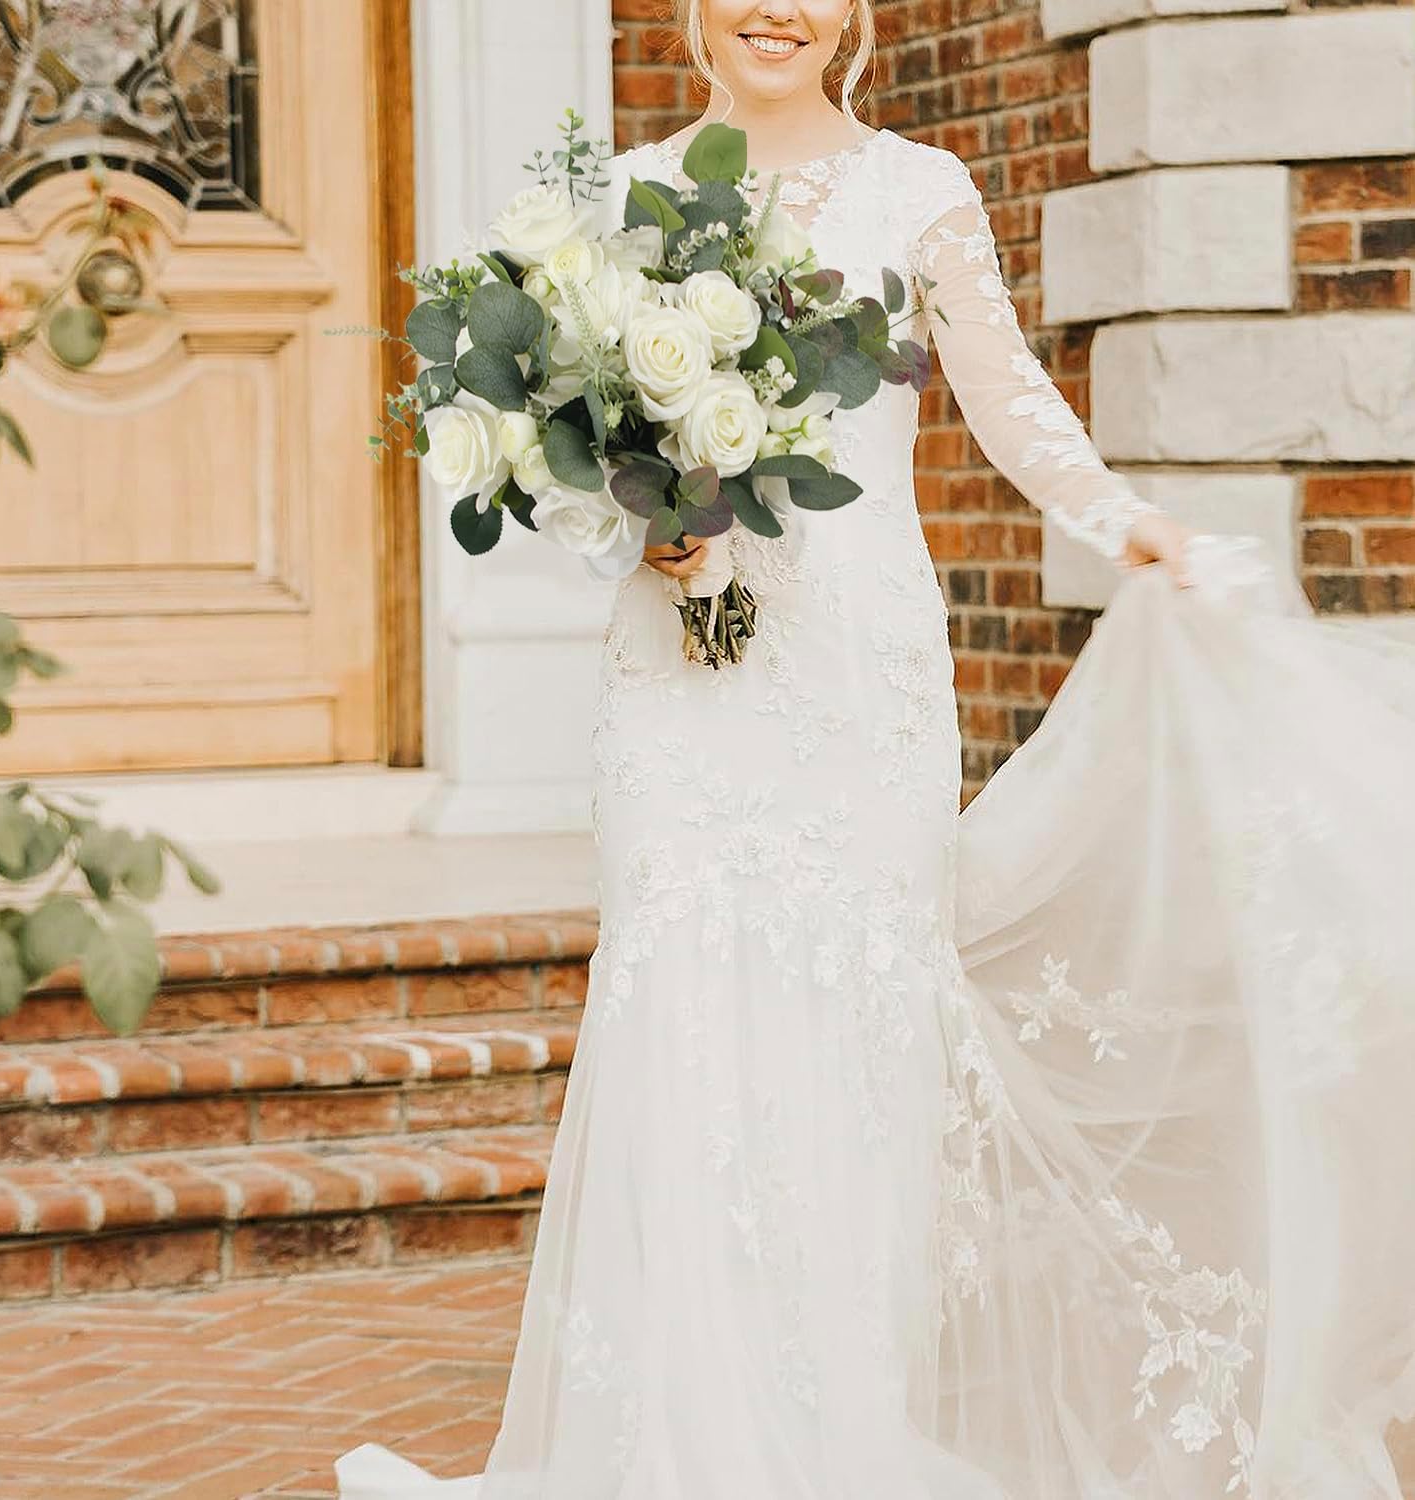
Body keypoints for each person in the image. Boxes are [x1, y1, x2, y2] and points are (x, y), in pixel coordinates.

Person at [338, 4, 1415, 1495]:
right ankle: (665, 1442)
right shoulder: (616, 202)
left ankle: (828, 1426)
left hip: (858, 672)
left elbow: (1012, 407)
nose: (778, 6)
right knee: (681, 995)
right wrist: (645, 524)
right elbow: (567, 462)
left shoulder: (921, 193)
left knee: (855, 1021)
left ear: (849, 13)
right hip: (681, 682)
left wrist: (1131, 524)